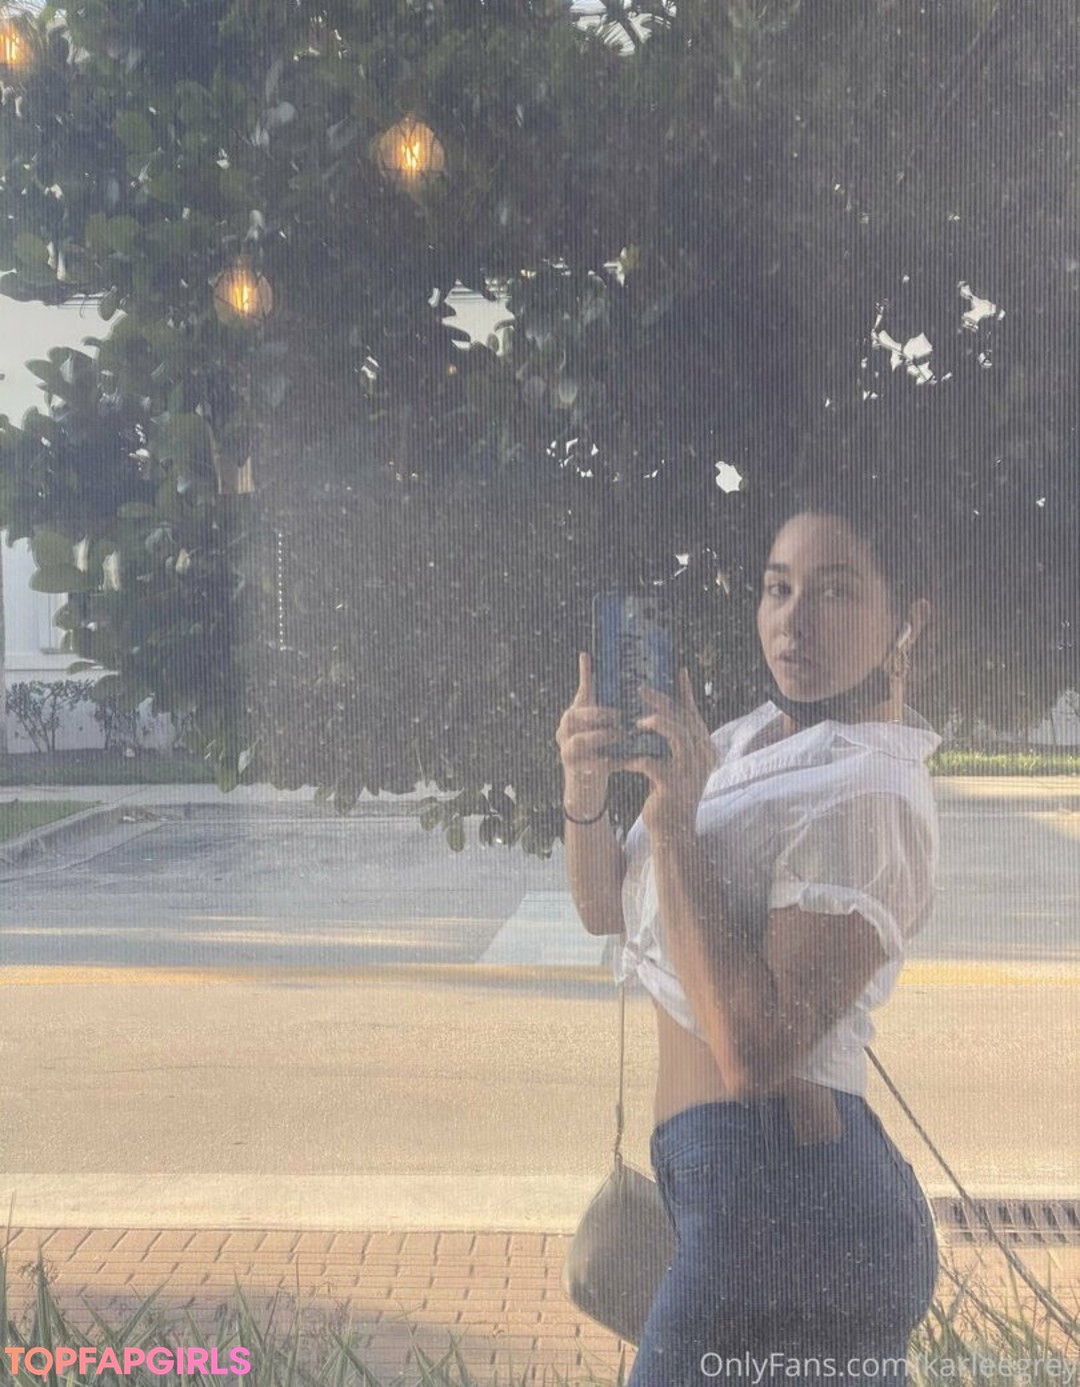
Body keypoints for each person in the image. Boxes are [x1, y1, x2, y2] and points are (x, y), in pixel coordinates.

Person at [556, 498, 941, 1386]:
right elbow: (607, 908)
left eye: (835, 591)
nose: (794, 621)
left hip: (785, 1203)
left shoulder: (869, 790)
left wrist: (677, 822)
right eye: (778, 588)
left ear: (908, 621)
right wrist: (584, 786)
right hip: (734, 1193)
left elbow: (753, 1051)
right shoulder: (744, 741)